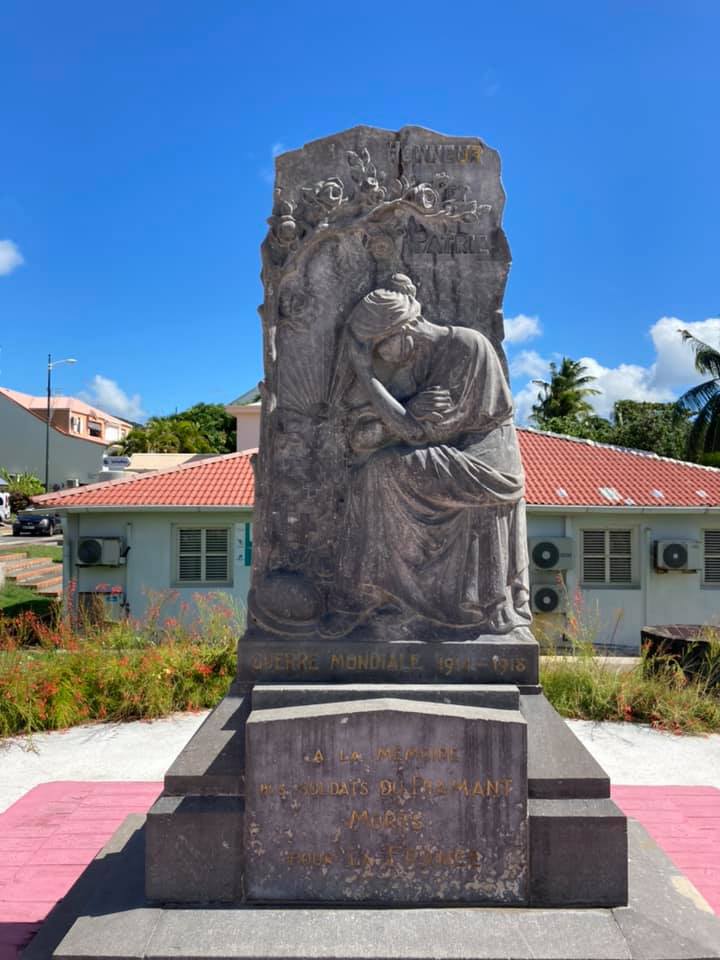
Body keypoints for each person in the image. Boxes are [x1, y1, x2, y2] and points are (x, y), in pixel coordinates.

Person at [325, 274, 530, 637]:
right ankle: (384, 594)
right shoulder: (419, 361)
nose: (380, 356)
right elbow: (396, 426)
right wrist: (402, 413)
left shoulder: (468, 347)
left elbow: (417, 431)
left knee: (381, 471)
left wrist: (367, 375)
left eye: (379, 346)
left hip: (485, 458)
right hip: (450, 452)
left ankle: (374, 593)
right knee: (375, 471)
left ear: (405, 328)